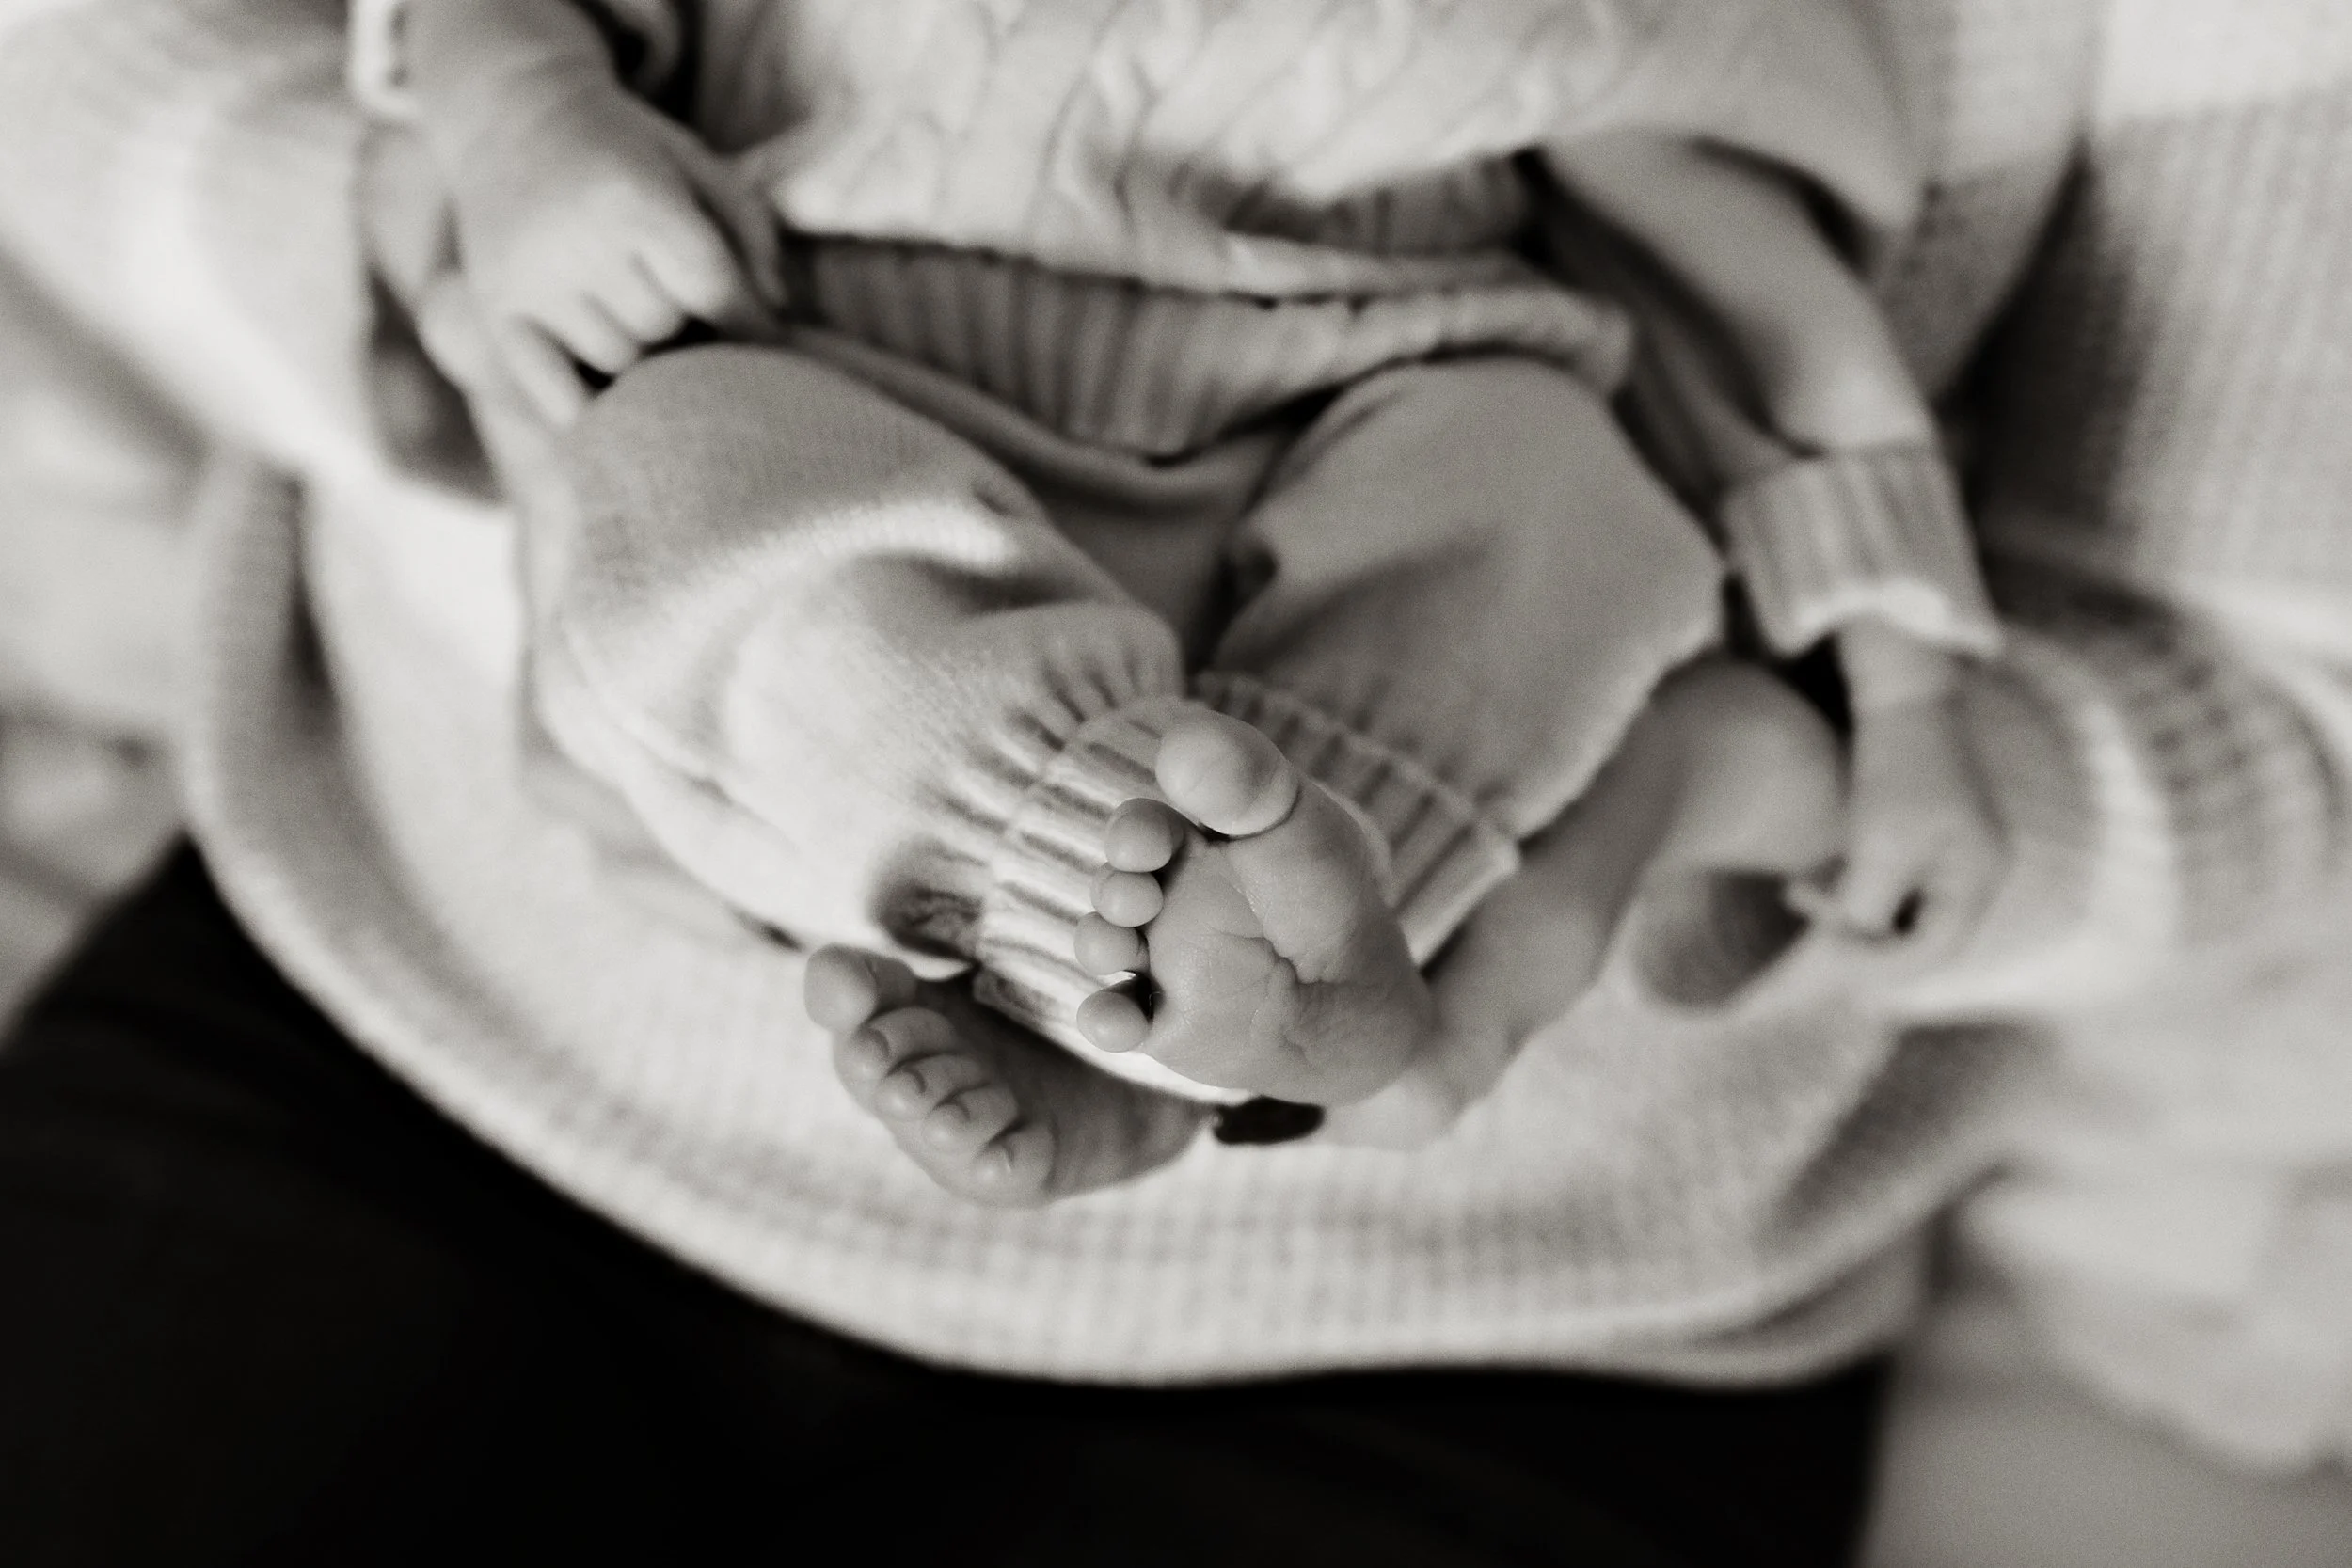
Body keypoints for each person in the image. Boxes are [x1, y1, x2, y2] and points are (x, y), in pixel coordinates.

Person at [4, 2, 2350, 1563]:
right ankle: (1035, 845)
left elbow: (1769, 334)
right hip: (471, 952)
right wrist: (476, 186)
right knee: (713, 484)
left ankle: (1251, 972)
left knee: (1555, 520)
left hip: (1509, 1269)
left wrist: (1856, 712)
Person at [364, 0, 2003, 1204]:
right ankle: (1096, 927)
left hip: (1359, 403)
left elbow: (1753, 317)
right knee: (681, 460)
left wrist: (1908, 679)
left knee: (1551, 479)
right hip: (858, 419)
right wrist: (525, 131)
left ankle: (1196, 981)